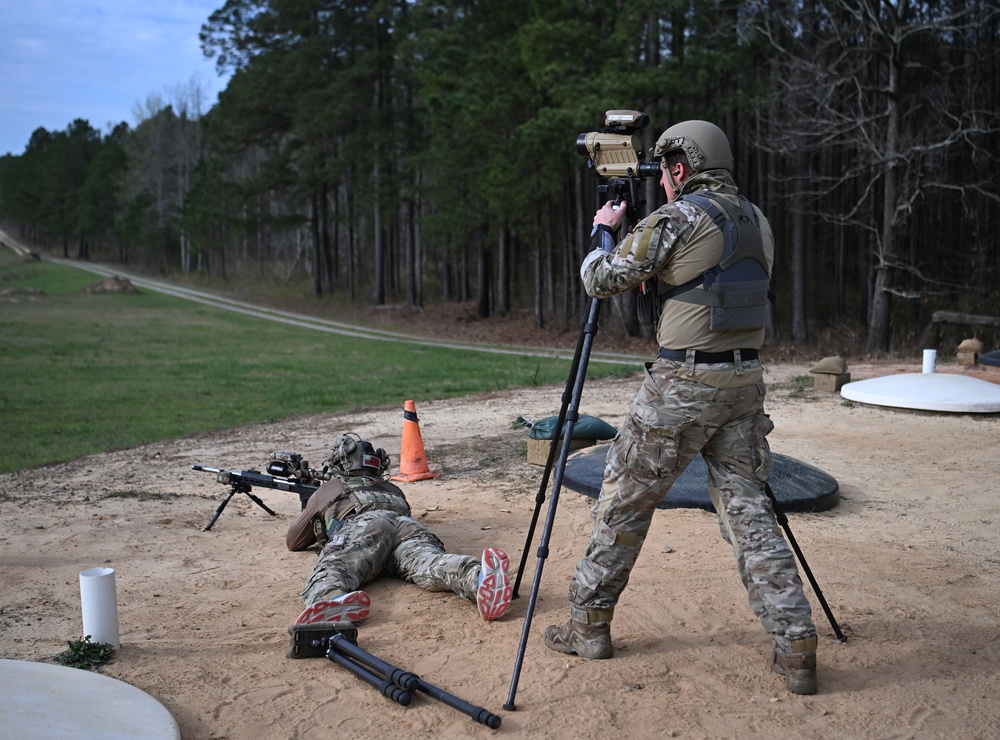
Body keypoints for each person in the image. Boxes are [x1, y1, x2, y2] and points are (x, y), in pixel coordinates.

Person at [543, 120, 818, 694]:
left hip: (682, 385)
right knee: (748, 513)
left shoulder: (680, 218)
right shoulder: (757, 221)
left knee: (624, 501)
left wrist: (603, 231)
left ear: (681, 168)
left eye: (666, 169)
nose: (663, 180)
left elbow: (602, 279)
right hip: (744, 383)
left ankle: (588, 624)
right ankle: (795, 642)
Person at [286, 433, 511, 657]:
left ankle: (332, 599)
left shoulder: (332, 486)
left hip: (368, 526)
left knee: (335, 567)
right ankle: (478, 578)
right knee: (429, 563)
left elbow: (295, 541)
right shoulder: (394, 489)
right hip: (407, 526)